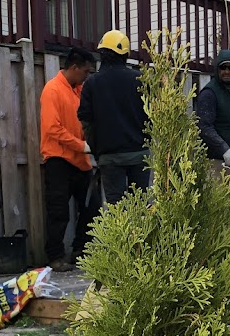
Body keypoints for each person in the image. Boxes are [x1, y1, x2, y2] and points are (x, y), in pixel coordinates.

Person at [40, 47, 99, 271]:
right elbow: (52, 128)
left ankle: (80, 251)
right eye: (85, 71)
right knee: (58, 211)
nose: (87, 75)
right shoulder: (52, 90)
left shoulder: (79, 90)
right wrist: (82, 145)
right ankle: (55, 257)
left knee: (91, 207)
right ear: (74, 68)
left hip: (80, 161)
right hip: (58, 160)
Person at [77, 30, 150, 205]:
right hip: (139, 155)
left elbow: (86, 121)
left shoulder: (92, 84)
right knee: (141, 208)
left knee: (117, 211)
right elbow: (151, 115)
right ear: (125, 55)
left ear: (102, 54)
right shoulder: (140, 79)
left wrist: (97, 149)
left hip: (109, 157)